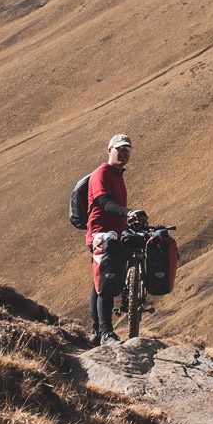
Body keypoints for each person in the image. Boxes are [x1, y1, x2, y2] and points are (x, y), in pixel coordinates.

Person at [85, 133, 141, 345]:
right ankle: (106, 332)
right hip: (100, 233)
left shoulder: (117, 175)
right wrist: (128, 212)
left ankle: (97, 330)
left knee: (99, 283)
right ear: (109, 151)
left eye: (127, 150)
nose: (123, 153)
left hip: (115, 234)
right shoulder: (102, 173)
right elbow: (103, 202)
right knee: (106, 281)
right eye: (119, 149)